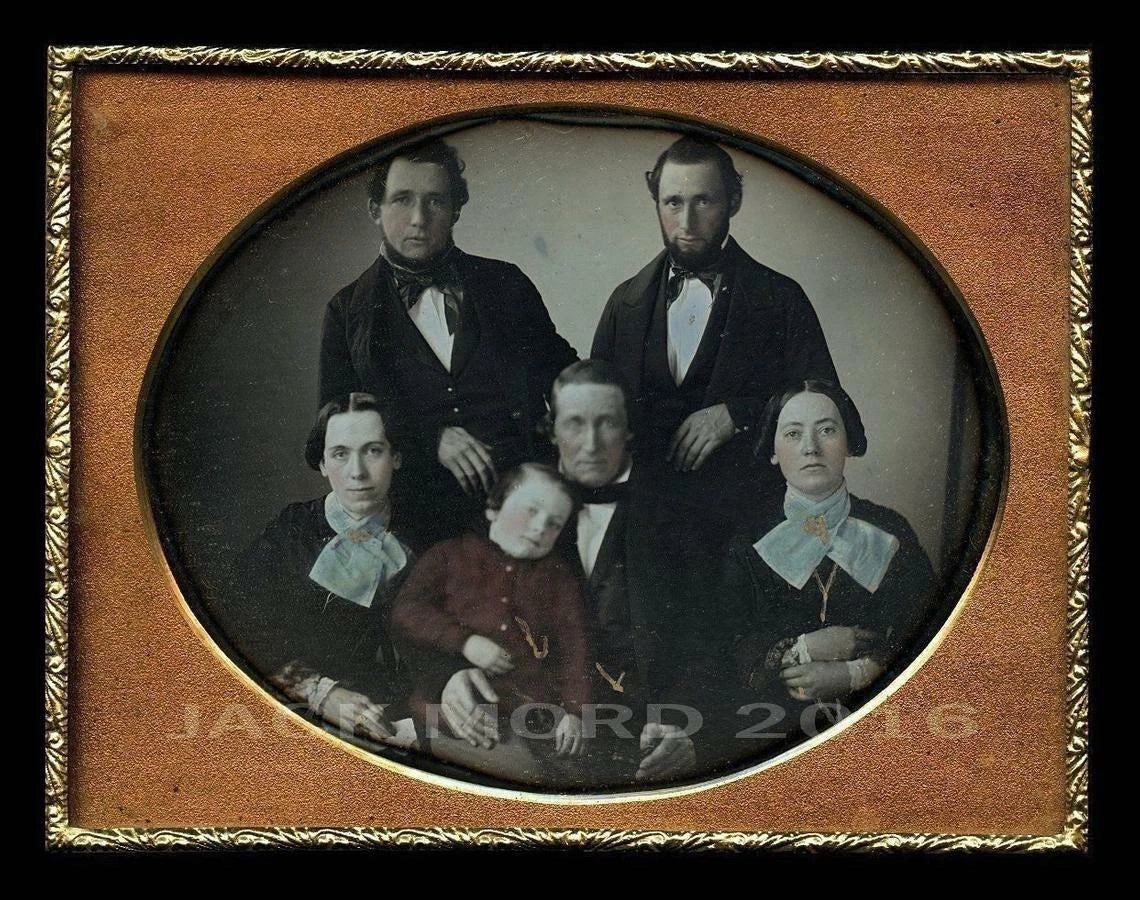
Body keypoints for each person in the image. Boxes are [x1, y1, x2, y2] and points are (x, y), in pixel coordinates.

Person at [432, 361, 738, 787]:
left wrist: (687, 732)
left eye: (607, 423)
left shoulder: (685, 517)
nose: (591, 444)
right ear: (552, 430)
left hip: (642, 737)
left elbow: (714, 646)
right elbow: (445, 606)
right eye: (575, 424)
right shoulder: (513, 498)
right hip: (526, 727)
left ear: (628, 430)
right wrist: (450, 675)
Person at [318, 139, 578, 546]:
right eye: (402, 200)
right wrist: (430, 438)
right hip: (415, 517)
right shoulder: (346, 310)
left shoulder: (506, 284)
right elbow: (335, 427)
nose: (418, 219)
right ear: (375, 209)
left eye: (435, 201)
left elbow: (567, 379)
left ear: (456, 209)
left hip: (526, 505)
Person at [592, 135, 838, 533]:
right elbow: (595, 408)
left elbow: (826, 403)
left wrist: (738, 415)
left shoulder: (782, 298)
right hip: (643, 526)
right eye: (673, 203)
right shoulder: (624, 301)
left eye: (703, 201)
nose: (686, 223)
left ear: (733, 202)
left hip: (747, 526)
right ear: (656, 202)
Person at [720, 380, 935, 758]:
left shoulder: (891, 530)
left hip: (878, 726)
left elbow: (929, 632)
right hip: (768, 735)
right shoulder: (747, 542)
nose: (811, 448)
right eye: (793, 433)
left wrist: (860, 673)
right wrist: (800, 650)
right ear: (773, 451)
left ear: (847, 442)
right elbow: (726, 648)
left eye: (827, 430)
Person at [219, 392, 418, 748]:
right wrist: (320, 692)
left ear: (396, 457)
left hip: (395, 719)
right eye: (340, 454)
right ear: (323, 463)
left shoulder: (424, 538)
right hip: (288, 710)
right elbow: (232, 624)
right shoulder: (291, 531)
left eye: (373, 451)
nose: (357, 472)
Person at [391, 463, 590, 785]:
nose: (540, 527)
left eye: (554, 523)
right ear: (493, 509)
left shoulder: (558, 578)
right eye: (531, 511)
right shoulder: (448, 556)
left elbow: (575, 647)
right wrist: (464, 641)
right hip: (451, 708)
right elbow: (407, 610)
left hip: (528, 713)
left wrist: (575, 711)